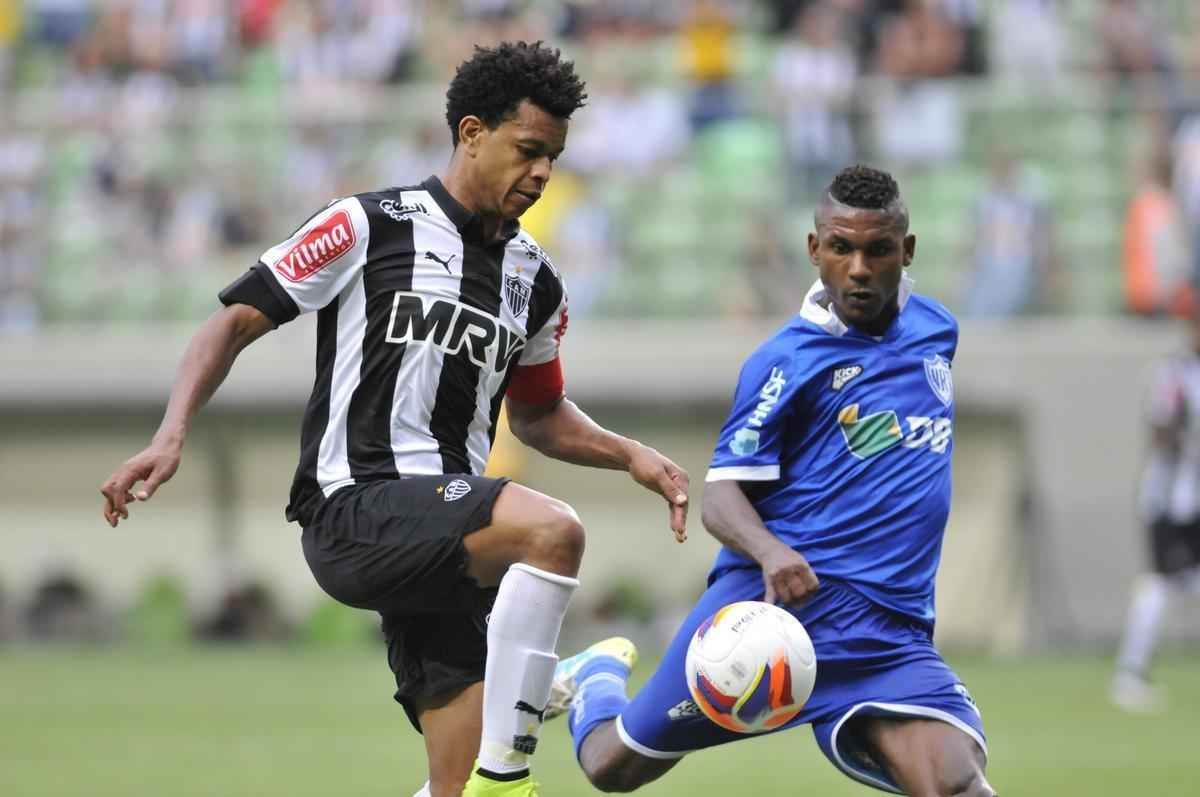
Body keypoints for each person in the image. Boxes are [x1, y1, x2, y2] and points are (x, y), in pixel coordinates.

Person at [99, 41, 690, 797]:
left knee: (451, 784)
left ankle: (533, 693)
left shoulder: (535, 280)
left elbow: (539, 415)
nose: (542, 173)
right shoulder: (366, 225)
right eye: (528, 150)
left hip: (442, 547)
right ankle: (518, 754)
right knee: (555, 533)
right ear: (472, 133)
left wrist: (630, 454)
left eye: (554, 158)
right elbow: (234, 319)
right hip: (356, 507)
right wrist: (170, 431)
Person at [549, 165, 997, 796]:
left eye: (879, 249)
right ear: (816, 250)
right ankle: (596, 676)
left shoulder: (936, 331)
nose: (860, 268)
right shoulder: (786, 361)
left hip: (890, 637)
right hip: (778, 614)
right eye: (841, 248)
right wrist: (771, 551)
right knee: (613, 768)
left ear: (908, 250)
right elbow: (720, 493)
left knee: (958, 787)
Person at [1112, 307, 1200, 712]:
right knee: (1161, 581)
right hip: (1171, 497)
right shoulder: (1174, 373)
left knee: (1178, 581)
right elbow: (1161, 427)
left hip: (1193, 497)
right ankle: (1130, 673)